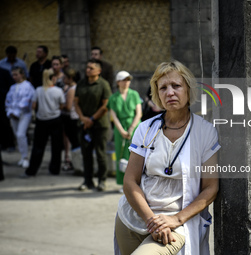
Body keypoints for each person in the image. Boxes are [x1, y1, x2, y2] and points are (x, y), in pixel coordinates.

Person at [114, 61, 220, 255]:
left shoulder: (205, 132)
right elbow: (130, 181)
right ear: (157, 94)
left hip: (177, 223)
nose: (169, 92)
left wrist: (176, 219)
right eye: (163, 88)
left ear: (188, 89)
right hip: (133, 219)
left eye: (176, 86)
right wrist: (152, 221)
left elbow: (211, 187)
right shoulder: (146, 129)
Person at [74, 59, 111, 191]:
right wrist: (83, 119)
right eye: (87, 67)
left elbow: (106, 105)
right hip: (84, 125)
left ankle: (102, 180)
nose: (87, 70)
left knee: (100, 154)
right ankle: (87, 181)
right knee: (86, 154)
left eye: (91, 68)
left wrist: (91, 119)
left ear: (98, 71)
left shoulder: (103, 84)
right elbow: (76, 102)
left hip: (99, 125)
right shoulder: (81, 83)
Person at [24, 69, 65, 177]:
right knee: (56, 146)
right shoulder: (58, 91)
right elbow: (62, 105)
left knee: (38, 146)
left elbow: (34, 105)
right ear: (53, 78)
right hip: (55, 119)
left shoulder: (38, 90)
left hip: (41, 120)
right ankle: (55, 169)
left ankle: (32, 170)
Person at [107, 71, 142, 191]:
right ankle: (124, 184)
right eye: (124, 80)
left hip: (135, 126)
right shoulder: (113, 97)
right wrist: (121, 130)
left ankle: (138, 182)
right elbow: (114, 116)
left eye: (128, 80)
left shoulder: (134, 94)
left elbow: (138, 113)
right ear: (118, 82)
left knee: (137, 154)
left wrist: (132, 128)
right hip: (120, 128)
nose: (127, 82)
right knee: (121, 154)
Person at [5, 67, 35, 168]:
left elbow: (26, 101)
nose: (14, 77)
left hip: (24, 114)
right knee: (17, 135)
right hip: (13, 114)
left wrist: (17, 112)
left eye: (16, 74)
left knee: (21, 134)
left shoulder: (28, 86)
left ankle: (26, 157)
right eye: (13, 75)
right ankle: (22, 156)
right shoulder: (13, 87)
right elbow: (8, 100)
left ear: (22, 74)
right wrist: (10, 112)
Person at [61, 68, 80, 171]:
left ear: (70, 78)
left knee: (75, 142)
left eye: (65, 77)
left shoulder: (72, 90)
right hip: (73, 118)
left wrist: (59, 105)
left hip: (71, 119)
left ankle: (75, 163)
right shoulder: (70, 88)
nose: (63, 79)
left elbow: (68, 107)